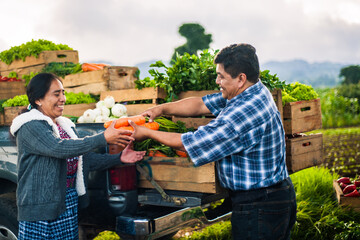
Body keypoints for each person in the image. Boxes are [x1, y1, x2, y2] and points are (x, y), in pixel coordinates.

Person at [129, 43, 297, 239]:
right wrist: (161, 109)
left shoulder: (242, 114)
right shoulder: (253, 91)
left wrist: (147, 133)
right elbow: (201, 104)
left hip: (260, 204)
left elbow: (192, 143)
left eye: (222, 76)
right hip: (274, 196)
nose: (217, 81)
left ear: (241, 78)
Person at [10, 73, 146, 240]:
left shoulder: (65, 126)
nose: (63, 98)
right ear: (38, 99)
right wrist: (102, 138)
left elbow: (84, 160)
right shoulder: (29, 125)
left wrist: (119, 158)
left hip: (67, 202)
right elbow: (58, 148)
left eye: (63, 92)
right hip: (40, 207)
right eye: (56, 94)